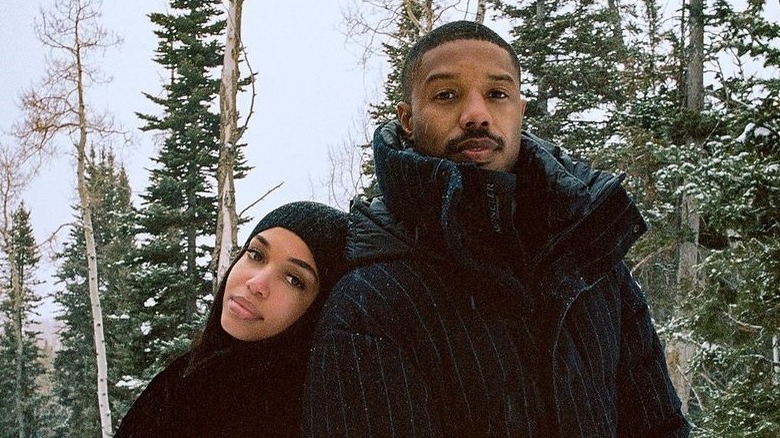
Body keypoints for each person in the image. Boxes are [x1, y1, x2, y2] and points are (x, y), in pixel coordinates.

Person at [303, 21, 690, 437]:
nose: (476, 115)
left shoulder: (588, 259)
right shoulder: (372, 298)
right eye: (446, 95)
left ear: (520, 111)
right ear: (408, 119)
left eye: (497, 94)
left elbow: (660, 426)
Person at [116, 201, 348, 438]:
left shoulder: (293, 417)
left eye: (293, 279)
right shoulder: (185, 376)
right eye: (256, 254)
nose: (256, 284)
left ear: (320, 307)